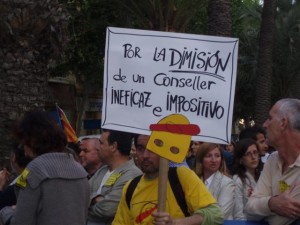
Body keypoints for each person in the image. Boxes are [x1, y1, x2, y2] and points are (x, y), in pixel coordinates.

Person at [0, 111, 90, 225]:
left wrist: (6, 212)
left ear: (31, 141)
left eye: (23, 144)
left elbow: (21, 222)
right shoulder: (80, 170)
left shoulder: (34, 171)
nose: (25, 152)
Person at [112, 134, 224, 225]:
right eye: (141, 148)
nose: (145, 155)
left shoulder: (181, 176)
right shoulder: (130, 187)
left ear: (164, 149)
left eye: (152, 148)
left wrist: (176, 223)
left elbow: (215, 214)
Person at [245, 98, 300, 225]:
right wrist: (272, 203)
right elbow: (249, 209)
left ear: (283, 123)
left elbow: (278, 221)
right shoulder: (273, 159)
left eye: (270, 118)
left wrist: (264, 207)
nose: (265, 124)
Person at [87, 129, 142, 225]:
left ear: (113, 146)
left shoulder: (132, 174)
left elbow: (107, 209)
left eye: (101, 143)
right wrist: (97, 199)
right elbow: (81, 194)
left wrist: (86, 205)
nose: (97, 148)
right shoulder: (102, 170)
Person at [194, 142, 235, 220]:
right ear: (201, 159)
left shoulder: (227, 183)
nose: (214, 160)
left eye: (217, 156)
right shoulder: (195, 180)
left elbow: (220, 214)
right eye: (208, 156)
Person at [231, 138, 260, 220]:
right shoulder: (238, 180)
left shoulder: (262, 175)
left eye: (255, 152)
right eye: (248, 154)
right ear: (240, 159)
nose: (253, 157)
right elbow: (238, 215)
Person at [0, 143, 32, 210]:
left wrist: (0, 185)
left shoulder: (17, 186)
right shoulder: (30, 174)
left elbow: (2, 203)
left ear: (14, 157)